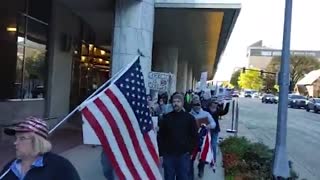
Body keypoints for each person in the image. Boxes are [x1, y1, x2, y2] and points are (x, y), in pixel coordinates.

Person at [0, 117, 80, 180]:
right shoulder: (11, 166)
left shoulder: (61, 166)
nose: (15, 142)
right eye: (16, 138)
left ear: (37, 142)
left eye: (22, 138)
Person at [157, 93, 198, 180]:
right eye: (174, 101)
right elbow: (160, 136)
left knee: (183, 177)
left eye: (178, 101)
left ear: (182, 103)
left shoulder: (189, 118)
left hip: (183, 155)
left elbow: (194, 136)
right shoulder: (166, 118)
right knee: (169, 177)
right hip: (168, 155)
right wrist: (161, 153)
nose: (176, 103)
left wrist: (191, 151)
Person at [189, 95, 216, 179]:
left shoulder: (206, 114)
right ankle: (190, 175)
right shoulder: (189, 115)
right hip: (192, 140)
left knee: (203, 157)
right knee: (190, 158)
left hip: (203, 140)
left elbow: (213, 124)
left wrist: (209, 126)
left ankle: (201, 169)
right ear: (192, 105)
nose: (197, 106)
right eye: (195, 104)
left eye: (198, 104)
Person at [205, 101, 221, 170]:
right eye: (214, 103)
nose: (215, 105)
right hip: (208, 130)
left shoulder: (217, 110)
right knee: (207, 145)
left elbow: (225, 111)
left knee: (213, 145)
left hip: (215, 130)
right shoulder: (206, 110)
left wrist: (227, 104)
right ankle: (206, 159)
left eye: (216, 104)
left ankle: (213, 161)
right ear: (210, 104)